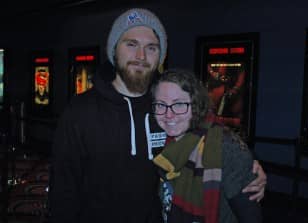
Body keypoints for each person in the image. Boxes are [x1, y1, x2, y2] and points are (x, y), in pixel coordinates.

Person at [49, 8, 266, 223]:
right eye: (131, 44)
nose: (141, 56)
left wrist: (246, 166)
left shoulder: (166, 108)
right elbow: (63, 192)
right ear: (114, 49)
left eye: (151, 48)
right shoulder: (80, 111)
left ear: (160, 56)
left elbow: (209, 131)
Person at [151, 68, 262, 223]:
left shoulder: (224, 146)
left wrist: (251, 162)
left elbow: (251, 217)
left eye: (179, 104)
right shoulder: (161, 141)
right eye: (161, 105)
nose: (169, 115)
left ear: (196, 105)